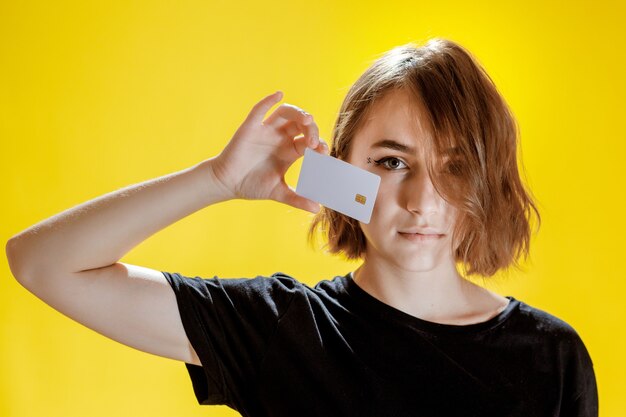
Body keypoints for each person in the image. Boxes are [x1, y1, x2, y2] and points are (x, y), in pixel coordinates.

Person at [6, 38, 598, 416]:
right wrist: (215, 180)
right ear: (339, 172)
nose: (423, 200)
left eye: (456, 166)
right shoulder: (279, 328)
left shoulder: (551, 355)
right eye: (391, 162)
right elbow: (41, 261)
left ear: (487, 179)